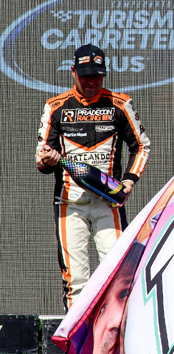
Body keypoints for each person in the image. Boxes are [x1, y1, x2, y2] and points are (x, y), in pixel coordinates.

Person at [36, 44, 151, 311]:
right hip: (69, 203)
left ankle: (115, 334)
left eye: (97, 76)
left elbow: (142, 145)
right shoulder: (55, 107)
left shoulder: (120, 104)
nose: (91, 82)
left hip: (108, 203)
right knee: (76, 281)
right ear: (73, 72)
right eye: (86, 75)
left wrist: (129, 180)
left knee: (118, 276)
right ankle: (79, 336)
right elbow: (41, 160)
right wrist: (48, 160)